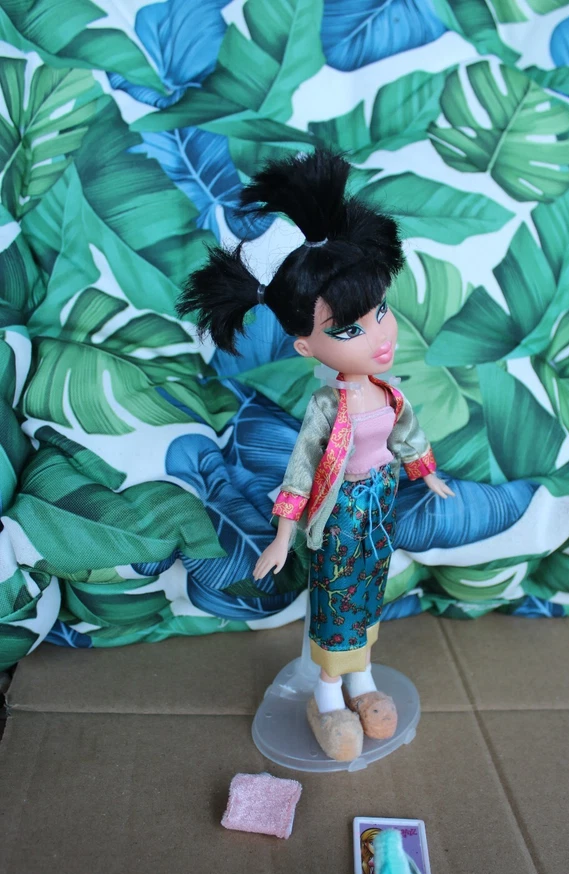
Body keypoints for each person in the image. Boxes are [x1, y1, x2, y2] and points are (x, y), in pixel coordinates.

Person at [178, 149, 454, 762]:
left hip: (377, 512)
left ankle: (363, 681)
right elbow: (301, 470)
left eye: (380, 313)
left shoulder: (388, 391)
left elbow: (406, 433)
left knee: (370, 592)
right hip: (340, 519)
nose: (379, 336)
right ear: (307, 346)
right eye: (349, 329)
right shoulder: (327, 408)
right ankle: (327, 697)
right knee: (335, 601)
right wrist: (283, 536)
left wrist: (426, 474)